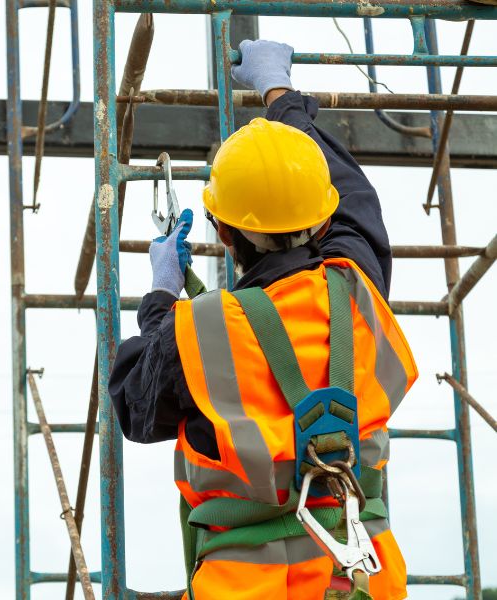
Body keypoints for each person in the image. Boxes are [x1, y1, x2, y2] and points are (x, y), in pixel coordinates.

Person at [109, 40, 418, 600]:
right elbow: (351, 194)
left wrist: (161, 294)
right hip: (363, 585)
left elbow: (137, 406)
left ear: (222, 233)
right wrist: (280, 92)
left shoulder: (198, 330)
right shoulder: (356, 287)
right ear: (324, 220)